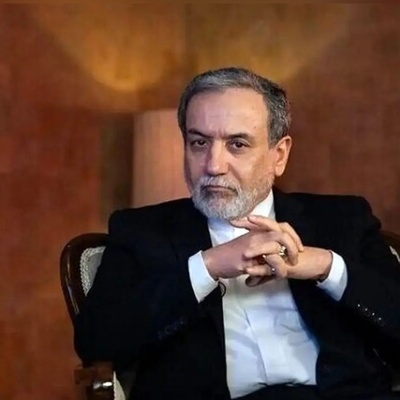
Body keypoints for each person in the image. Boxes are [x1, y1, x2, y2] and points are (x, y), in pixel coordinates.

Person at [74, 67, 400, 400]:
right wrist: (207, 266)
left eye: (237, 144)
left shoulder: (342, 219)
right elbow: (98, 342)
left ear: (279, 155)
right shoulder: (141, 232)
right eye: (199, 143)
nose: (213, 165)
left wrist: (327, 267)